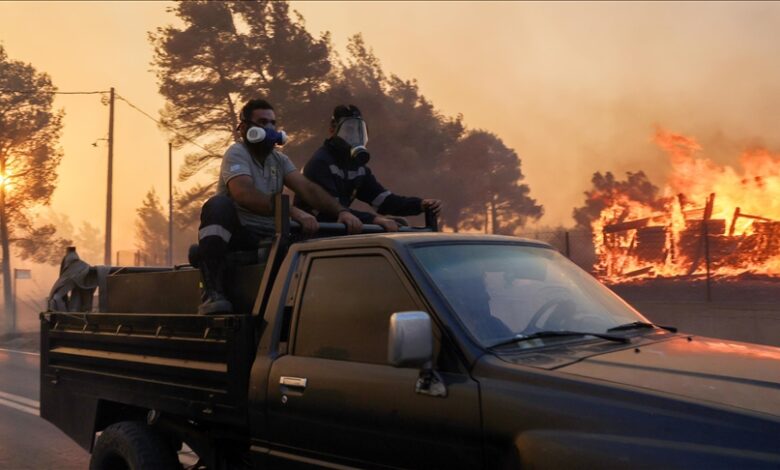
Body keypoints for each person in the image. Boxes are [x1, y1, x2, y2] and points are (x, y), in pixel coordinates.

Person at [197, 99, 362, 314]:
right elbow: (243, 193)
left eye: (273, 123)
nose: (269, 129)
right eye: (262, 122)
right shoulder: (237, 153)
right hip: (241, 234)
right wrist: (291, 211)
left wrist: (342, 211)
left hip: (272, 234)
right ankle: (212, 292)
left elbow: (308, 189)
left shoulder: (280, 160)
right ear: (246, 128)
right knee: (216, 205)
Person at [294, 104, 442, 232]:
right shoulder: (321, 162)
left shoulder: (357, 167)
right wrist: (375, 220)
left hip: (337, 232)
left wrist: (420, 205)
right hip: (313, 236)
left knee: (400, 225)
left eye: (359, 130)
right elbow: (332, 210)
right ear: (333, 129)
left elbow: (383, 201)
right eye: (349, 129)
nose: (354, 136)